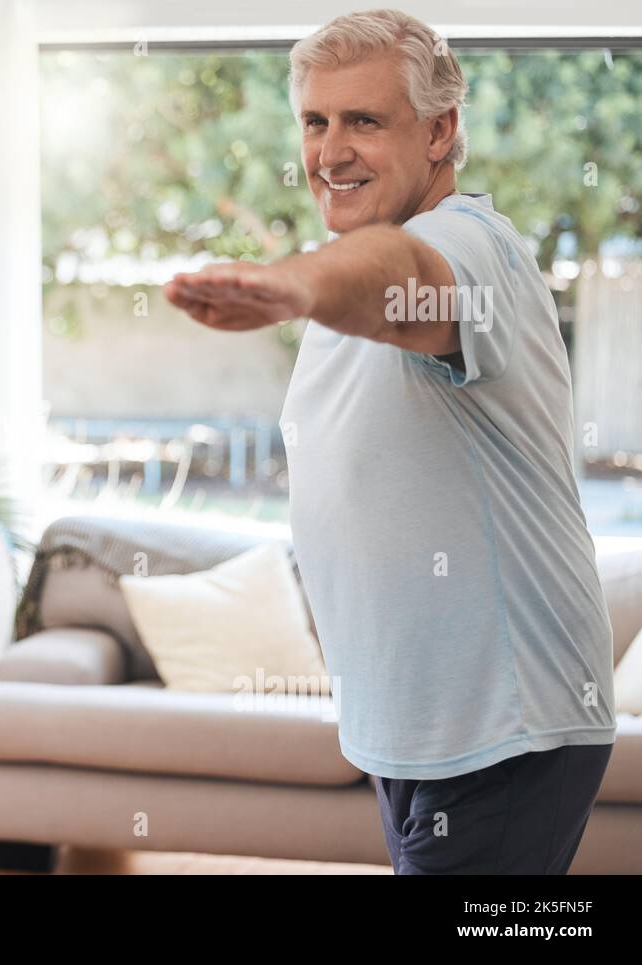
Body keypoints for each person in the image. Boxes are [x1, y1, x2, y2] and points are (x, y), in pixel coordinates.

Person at [164, 9, 615, 874]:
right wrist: (307, 284)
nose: (330, 152)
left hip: (504, 729)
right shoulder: (347, 278)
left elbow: (402, 282)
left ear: (440, 131)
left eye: (363, 121)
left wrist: (290, 283)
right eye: (315, 121)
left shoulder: (469, 246)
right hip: (419, 733)